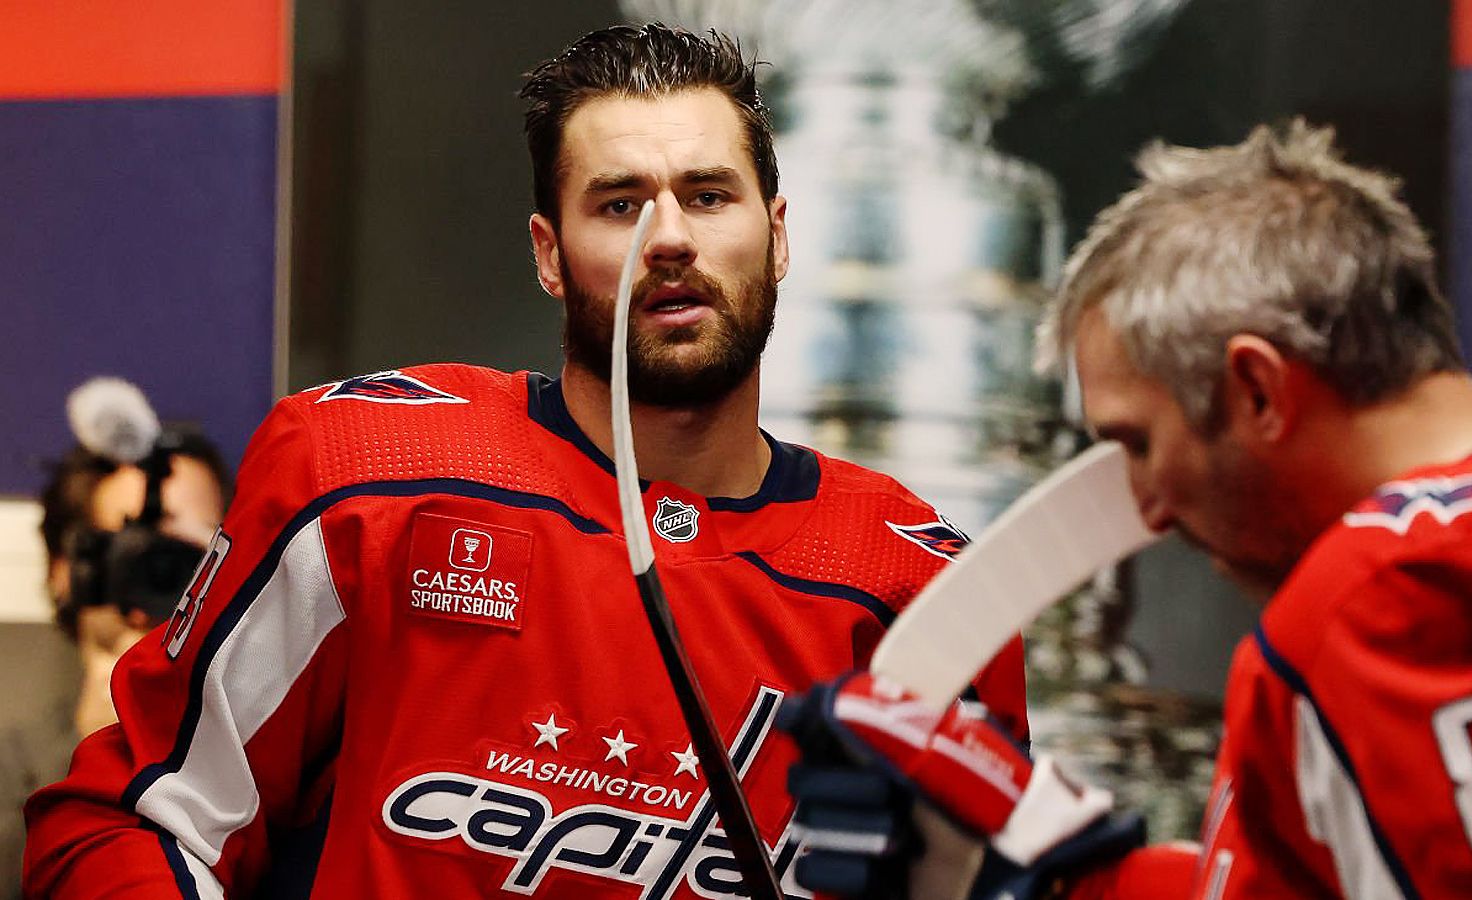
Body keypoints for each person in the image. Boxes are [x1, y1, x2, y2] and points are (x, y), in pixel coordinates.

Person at [22, 24, 1027, 899]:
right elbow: (130, 818)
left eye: (709, 195)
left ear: (776, 237)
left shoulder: (918, 583)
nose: (669, 238)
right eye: (620, 204)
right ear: (549, 254)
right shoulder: (368, 473)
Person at [781, 121, 1472, 898]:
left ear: (1257, 390)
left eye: (1138, 443)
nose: (1147, 507)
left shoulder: (1388, 590)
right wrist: (1073, 874)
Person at [2, 378, 228, 899]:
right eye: (138, 549)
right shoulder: (12, 764)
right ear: (69, 569)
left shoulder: (266, 761)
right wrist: (91, 760)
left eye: (192, 555)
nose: (165, 581)